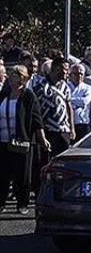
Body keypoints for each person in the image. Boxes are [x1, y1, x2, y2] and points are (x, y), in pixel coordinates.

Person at [0, 66, 41, 214]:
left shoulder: (28, 96)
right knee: (2, 174)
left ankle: (22, 204)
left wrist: (42, 139)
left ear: (22, 78)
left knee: (22, 175)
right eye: (9, 76)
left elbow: (37, 120)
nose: (10, 79)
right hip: (3, 141)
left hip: (21, 141)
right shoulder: (3, 95)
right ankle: (1, 203)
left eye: (14, 76)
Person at [67, 63, 91, 140]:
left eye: (81, 74)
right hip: (68, 124)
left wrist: (69, 101)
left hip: (83, 124)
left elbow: (85, 101)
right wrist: (75, 102)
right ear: (70, 75)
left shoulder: (88, 88)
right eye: (75, 74)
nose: (79, 76)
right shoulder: (65, 86)